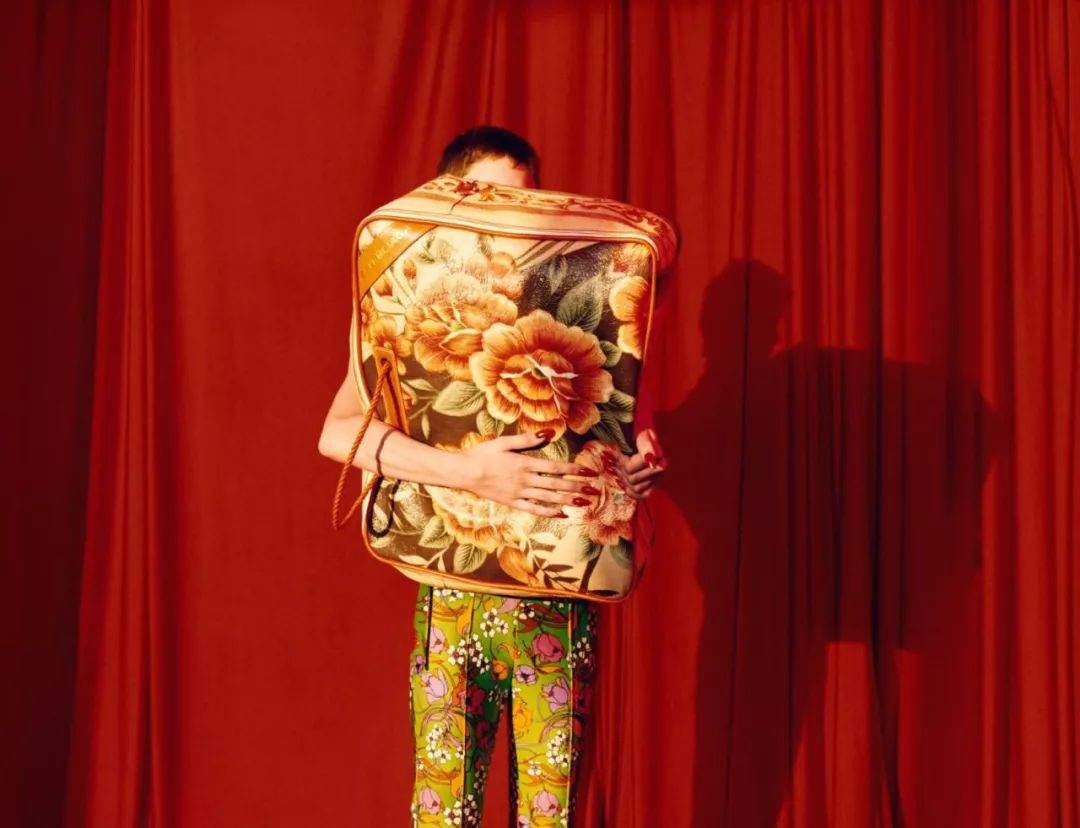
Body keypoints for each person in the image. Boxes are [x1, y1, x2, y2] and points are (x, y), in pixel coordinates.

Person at [318, 125, 667, 826]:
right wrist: (468, 474)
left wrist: (633, 469)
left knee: (552, 817)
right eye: (490, 200)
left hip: (558, 598)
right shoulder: (405, 306)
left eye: (523, 203)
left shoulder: (585, 310)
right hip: (453, 596)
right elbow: (336, 433)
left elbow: (624, 433)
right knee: (443, 813)